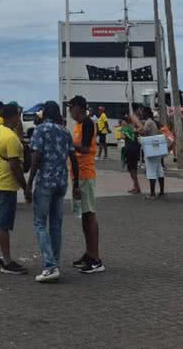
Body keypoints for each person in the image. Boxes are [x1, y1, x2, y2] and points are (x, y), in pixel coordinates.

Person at [27, 101, 79, 282]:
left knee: (40, 223)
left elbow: (35, 157)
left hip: (45, 182)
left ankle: (50, 265)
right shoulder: (65, 131)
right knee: (56, 225)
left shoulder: (41, 129)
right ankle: (54, 262)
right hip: (62, 182)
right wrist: (77, 184)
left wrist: (29, 182)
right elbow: (73, 157)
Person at [0, 103, 31, 275]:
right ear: (14, 116)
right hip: (6, 184)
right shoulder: (11, 138)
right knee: (4, 224)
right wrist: (25, 187)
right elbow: (15, 167)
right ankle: (7, 261)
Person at [65, 96, 106, 273]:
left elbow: (85, 148)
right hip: (77, 175)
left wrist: (67, 145)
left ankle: (96, 259)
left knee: (89, 215)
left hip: (86, 175)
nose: (69, 112)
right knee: (83, 216)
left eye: (71, 108)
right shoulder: (78, 125)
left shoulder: (88, 123)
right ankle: (89, 253)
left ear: (79, 109)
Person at [136, 109, 166, 198]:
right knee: (159, 170)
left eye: (142, 113)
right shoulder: (152, 122)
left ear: (146, 113)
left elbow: (143, 132)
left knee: (151, 171)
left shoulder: (148, 122)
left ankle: (152, 193)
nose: (141, 114)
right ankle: (161, 191)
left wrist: (137, 130)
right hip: (156, 148)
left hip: (151, 149)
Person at [120, 115, 140, 194]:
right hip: (136, 150)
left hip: (130, 150)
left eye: (122, 121)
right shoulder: (133, 128)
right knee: (134, 168)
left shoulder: (125, 129)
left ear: (125, 122)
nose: (121, 123)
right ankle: (135, 186)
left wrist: (122, 130)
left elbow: (122, 137)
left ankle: (137, 187)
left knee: (132, 170)